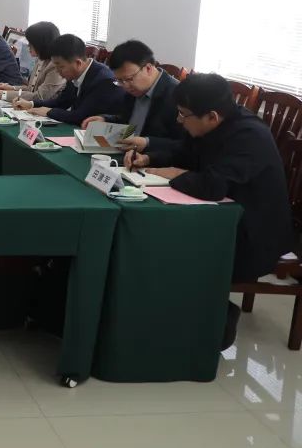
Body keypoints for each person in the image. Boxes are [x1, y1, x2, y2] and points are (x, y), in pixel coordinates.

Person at [125, 73, 293, 349]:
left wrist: (173, 174)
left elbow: (212, 185)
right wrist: (149, 158)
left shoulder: (250, 136)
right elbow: (184, 152)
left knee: (169, 247)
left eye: (183, 114)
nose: (179, 120)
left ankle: (217, 323)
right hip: (218, 217)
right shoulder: (212, 124)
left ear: (212, 116)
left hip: (252, 235)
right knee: (153, 238)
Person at [81, 39, 183, 154]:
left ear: (148, 68)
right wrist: (105, 119)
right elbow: (128, 121)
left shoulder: (177, 95)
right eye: (119, 81)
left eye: (129, 79)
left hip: (153, 159)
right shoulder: (133, 89)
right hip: (125, 153)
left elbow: (184, 145)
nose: (125, 86)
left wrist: (148, 143)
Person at [13, 34, 125, 124]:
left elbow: (80, 116)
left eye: (61, 67)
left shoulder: (103, 80)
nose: (58, 71)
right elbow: (61, 102)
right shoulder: (74, 74)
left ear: (78, 63)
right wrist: (31, 104)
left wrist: (48, 112)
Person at [0, 21, 65, 103]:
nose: (28, 45)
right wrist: (12, 88)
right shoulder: (40, 59)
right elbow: (31, 89)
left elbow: (40, 96)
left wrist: (3, 95)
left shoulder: (56, 66)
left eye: (31, 43)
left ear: (41, 44)